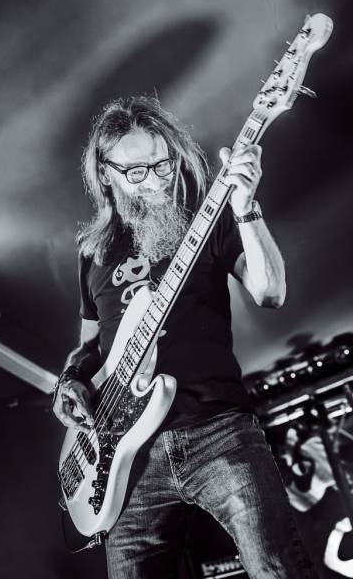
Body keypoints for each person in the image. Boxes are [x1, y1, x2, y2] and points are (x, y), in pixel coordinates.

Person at [53, 96, 317, 578]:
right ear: (105, 173)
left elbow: (270, 291)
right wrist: (68, 381)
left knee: (277, 568)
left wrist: (246, 208)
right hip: (125, 459)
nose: (154, 181)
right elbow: (89, 347)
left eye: (162, 164)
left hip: (218, 429)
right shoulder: (94, 253)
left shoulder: (207, 219)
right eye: (135, 171)